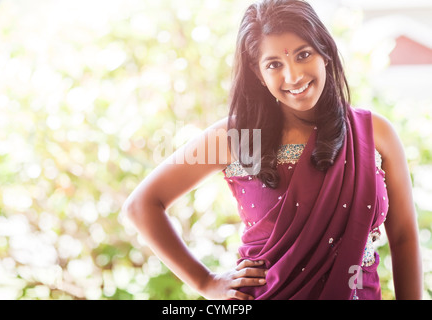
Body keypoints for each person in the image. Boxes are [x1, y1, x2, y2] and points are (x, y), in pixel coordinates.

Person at [122, 0, 422, 300]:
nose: (293, 76)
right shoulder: (237, 137)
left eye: (303, 55)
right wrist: (205, 281)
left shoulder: (373, 133)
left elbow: (404, 236)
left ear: (325, 52)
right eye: (274, 64)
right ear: (257, 72)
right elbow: (142, 205)